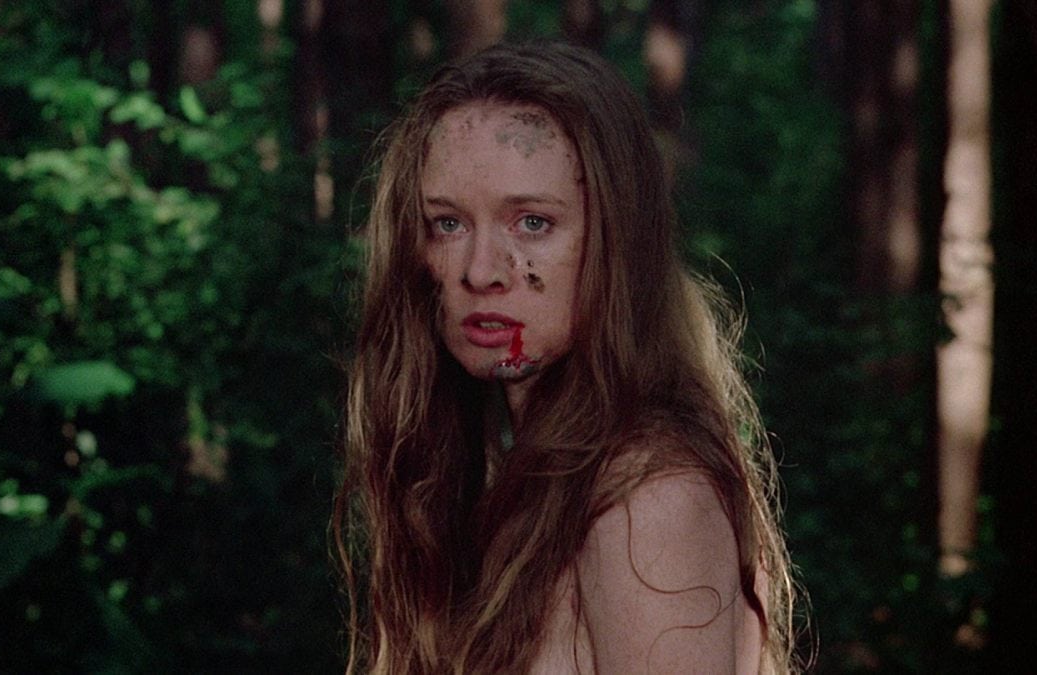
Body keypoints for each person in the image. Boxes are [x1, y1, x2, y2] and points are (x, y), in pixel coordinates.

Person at [336, 41, 796, 674]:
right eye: (448, 224)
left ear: (615, 240)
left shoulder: (647, 499)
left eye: (532, 223)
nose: (481, 271)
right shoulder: (516, 478)